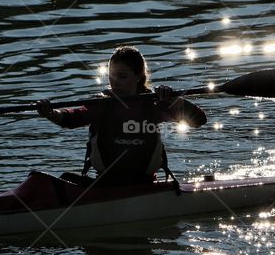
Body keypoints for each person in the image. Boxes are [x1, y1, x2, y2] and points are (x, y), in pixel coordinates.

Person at [37, 46, 207, 186]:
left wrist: (174, 100)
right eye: (112, 76)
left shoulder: (154, 104)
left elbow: (199, 120)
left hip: (146, 186)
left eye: (122, 76)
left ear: (139, 76)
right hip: (104, 185)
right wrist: (50, 113)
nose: (115, 81)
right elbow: (70, 118)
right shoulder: (101, 105)